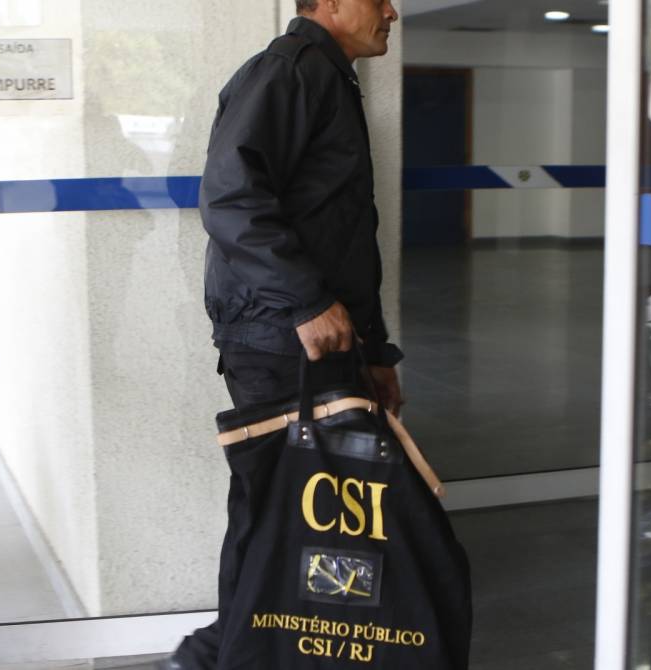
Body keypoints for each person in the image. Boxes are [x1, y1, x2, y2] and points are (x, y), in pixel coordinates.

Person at [168, 0, 402, 667]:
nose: (392, 11)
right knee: (276, 512)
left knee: (308, 512)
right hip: (281, 339)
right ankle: (214, 656)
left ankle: (249, 652)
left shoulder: (326, 76)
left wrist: (375, 354)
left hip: (315, 338)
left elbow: (342, 239)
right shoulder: (288, 72)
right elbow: (230, 197)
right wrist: (305, 303)